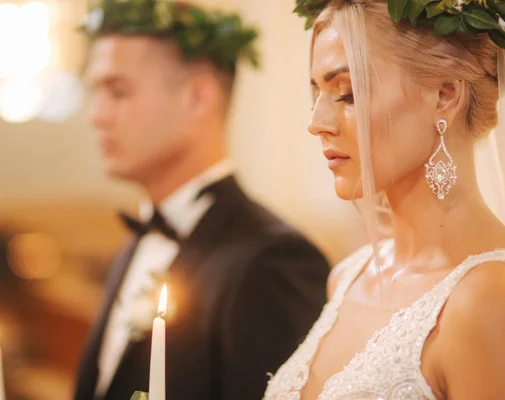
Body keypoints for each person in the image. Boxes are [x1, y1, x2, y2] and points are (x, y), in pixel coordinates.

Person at [264, 0, 505, 398]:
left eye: (346, 93)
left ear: (445, 95)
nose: (317, 123)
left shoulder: (494, 303)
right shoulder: (348, 277)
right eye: (317, 93)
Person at [72, 1, 331, 399]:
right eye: (96, 92)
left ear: (198, 98)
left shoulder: (274, 263)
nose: (97, 115)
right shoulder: (132, 248)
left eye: (117, 91)